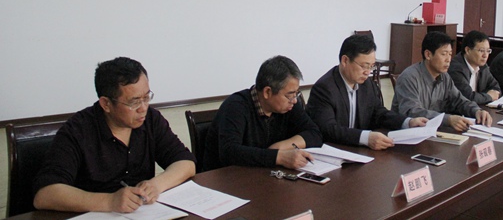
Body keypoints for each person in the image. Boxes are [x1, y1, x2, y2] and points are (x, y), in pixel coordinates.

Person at [33, 57, 196, 213]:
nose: (143, 108)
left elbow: (186, 163)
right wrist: (109, 201)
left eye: (147, 97)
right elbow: (45, 195)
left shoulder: (151, 120)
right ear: (106, 104)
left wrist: (156, 185)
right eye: (134, 102)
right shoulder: (77, 130)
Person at [306, 34, 428, 150]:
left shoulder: (367, 85)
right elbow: (328, 129)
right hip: (333, 150)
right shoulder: (324, 88)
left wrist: (407, 122)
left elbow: (379, 113)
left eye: (371, 66)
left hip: (359, 151)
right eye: (364, 66)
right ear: (345, 60)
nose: (367, 72)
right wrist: (365, 138)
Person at [202, 55, 322, 171]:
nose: (294, 100)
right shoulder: (235, 106)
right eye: (289, 95)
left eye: (296, 93)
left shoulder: (289, 106)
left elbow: (314, 133)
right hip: (226, 178)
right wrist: (278, 157)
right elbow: (229, 152)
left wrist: (281, 147)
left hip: (263, 175)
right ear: (267, 92)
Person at [391, 31, 492, 133]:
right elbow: (412, 112)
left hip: (433, 132)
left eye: (450, 54)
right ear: (428, 55)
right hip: (408, 134)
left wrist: (477, 111)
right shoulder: (409, 77)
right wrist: (447, 119)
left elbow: (459, 100)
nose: (448, 59)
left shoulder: (444, 77)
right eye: (444, 54)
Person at [448, 30, 501, 105]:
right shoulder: (456, 68)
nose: (485, 55)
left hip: (476, 108)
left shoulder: (483, 66)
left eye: (488, 51)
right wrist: (488, 96)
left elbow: (496, 88)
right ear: (468, 50)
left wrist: (482, 97)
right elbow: (467, 97)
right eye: (481, 51)